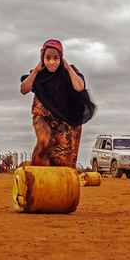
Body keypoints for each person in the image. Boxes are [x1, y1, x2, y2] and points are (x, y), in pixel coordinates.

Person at [19, 39, 96, 168]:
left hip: (64, 121)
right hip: (43, 117)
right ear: (42, 58)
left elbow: (79, 87)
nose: (52, 62)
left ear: (61, 58)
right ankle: (35, 177)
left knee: (61, 160)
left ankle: (58, 182)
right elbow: (24, 89)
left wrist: (67, 68)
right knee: (44, 140)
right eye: (47, 58)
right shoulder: (39, 75)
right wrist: (36, 70)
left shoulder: (68, 72)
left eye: (56, 58)